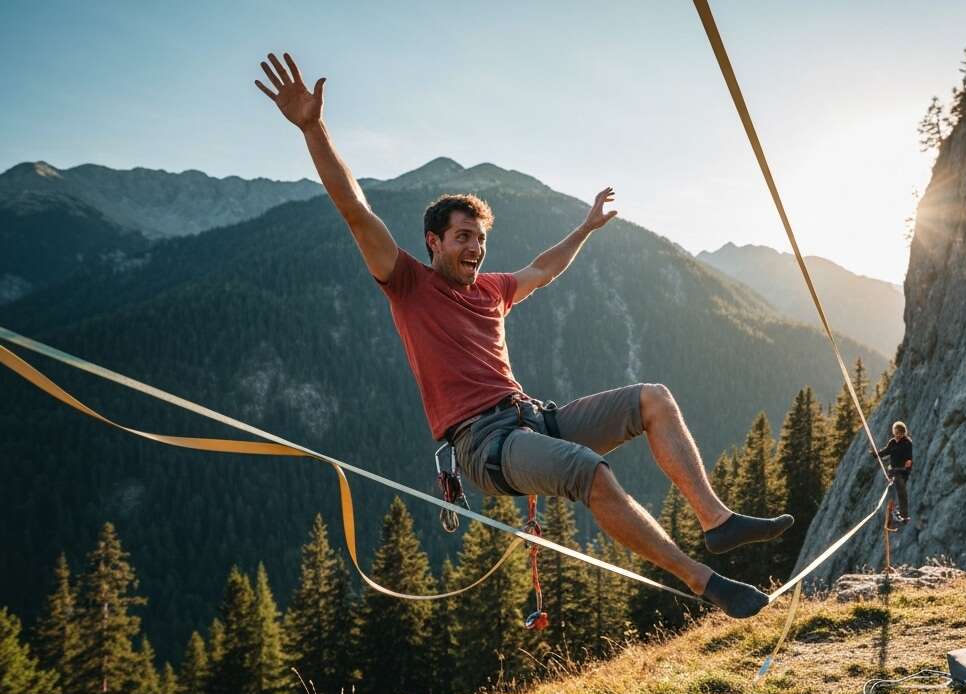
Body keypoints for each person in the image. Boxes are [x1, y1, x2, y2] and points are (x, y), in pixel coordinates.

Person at [254, 52, 792, 619]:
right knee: (589, 472)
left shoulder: (491, 289)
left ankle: (717, 522)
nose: (475, 248)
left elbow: (543, 269)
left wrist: (584, 228)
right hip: (485, 446)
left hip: (532, 417)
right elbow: (355, 210)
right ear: (433, 242)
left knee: (653, 398)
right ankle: (704, 582)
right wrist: (314, 128)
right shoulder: (407, 283)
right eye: (463, 237)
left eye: (480, 239)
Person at [878, 421, 913, 527]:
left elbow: (909, 457)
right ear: (894, 432)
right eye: (896, 433)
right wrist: (876, 454)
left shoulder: (907, 443)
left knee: (901, 493)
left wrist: (908, 462)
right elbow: (886, 451)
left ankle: (902, 515)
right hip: (894, 471)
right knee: (900, 490)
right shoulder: (892, 442)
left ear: (904, 433)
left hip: (903, 471)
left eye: (900, 433)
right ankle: (899, 515)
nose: (898, 435)